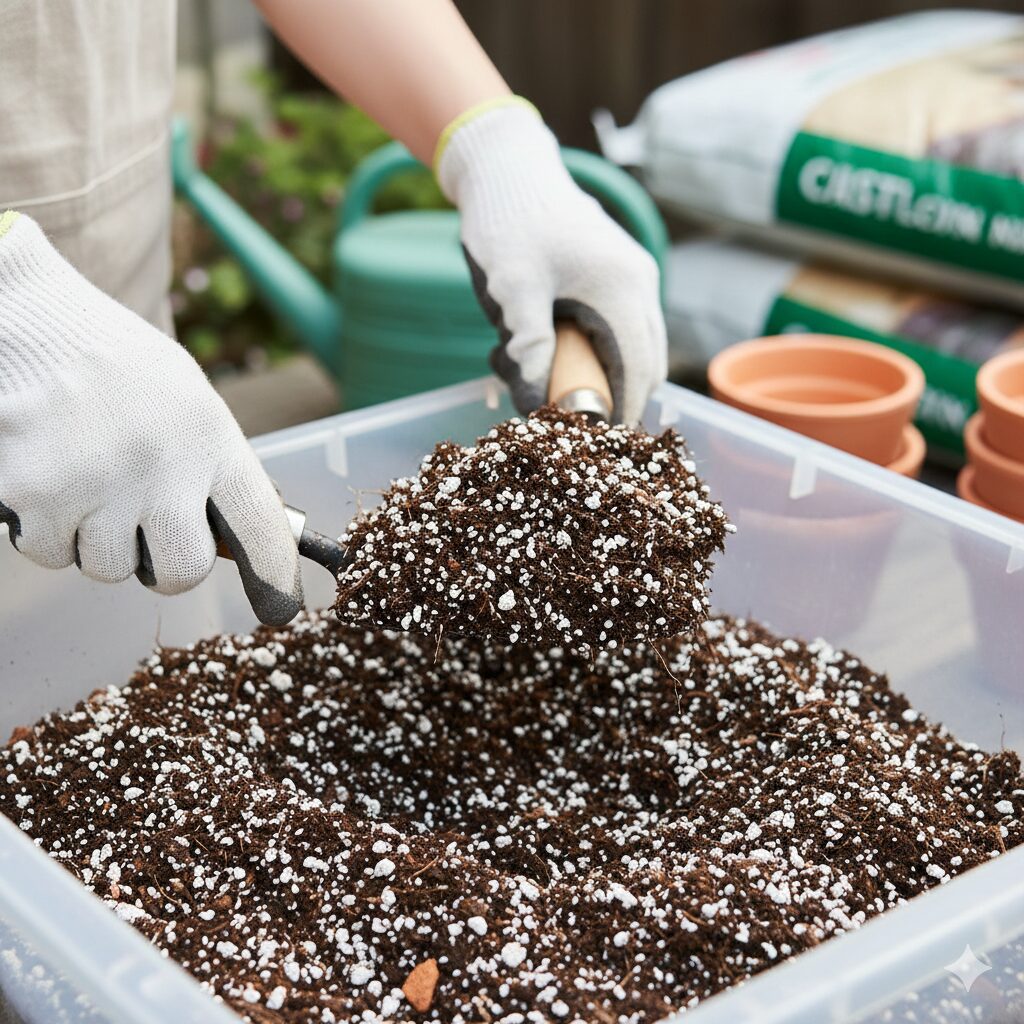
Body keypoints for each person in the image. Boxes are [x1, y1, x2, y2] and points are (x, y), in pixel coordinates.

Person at [0, 0, 666, 627]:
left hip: (120, 424)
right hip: (47, 376)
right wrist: (17, 317)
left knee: (135, 611)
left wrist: (492, 145)